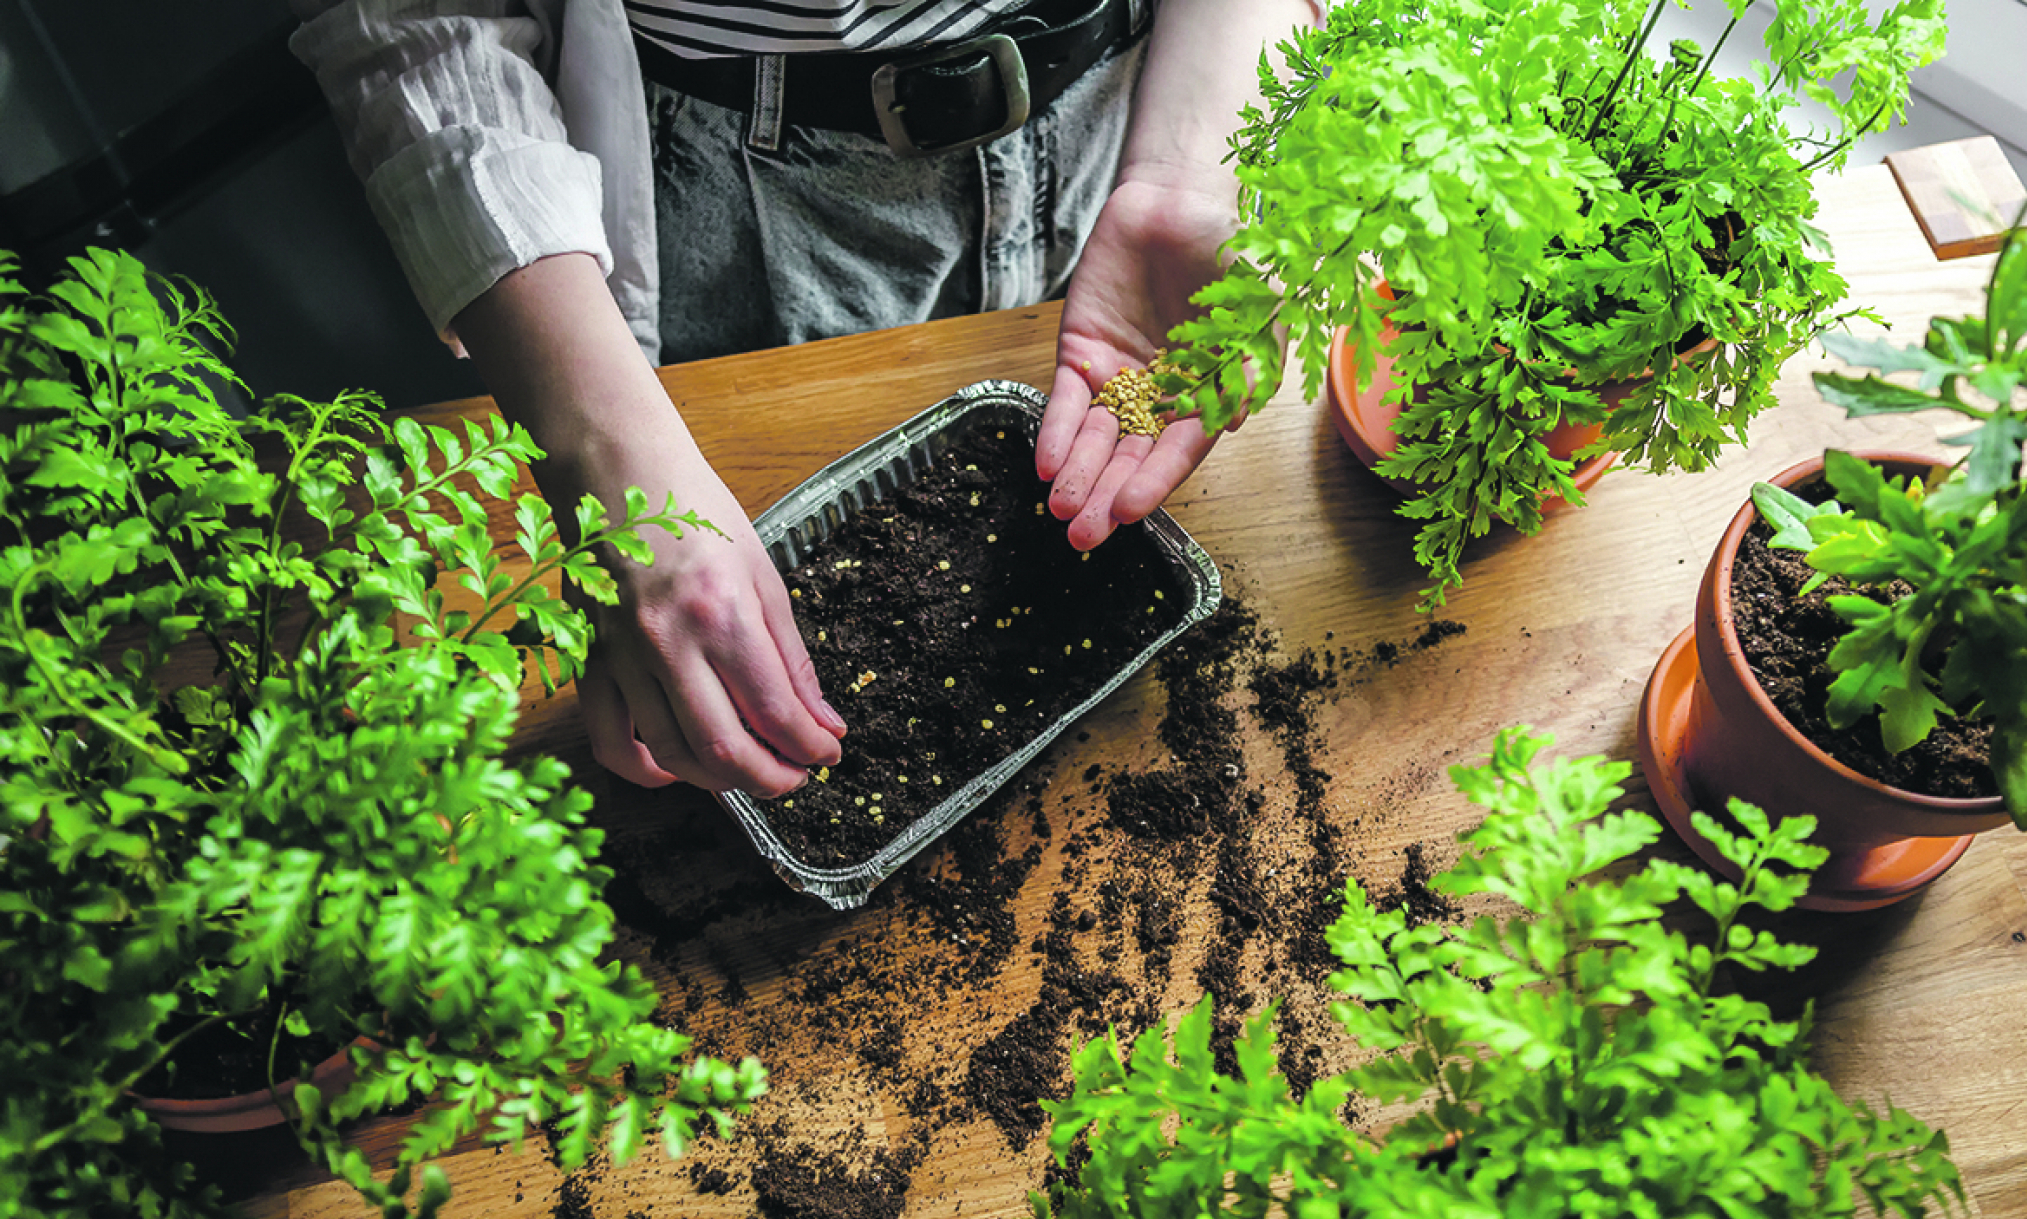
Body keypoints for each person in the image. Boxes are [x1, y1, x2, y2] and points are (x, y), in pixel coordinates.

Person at [289, 0, 1316, 799]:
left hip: (1137, 104)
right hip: (734, 183)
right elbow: (416, 21)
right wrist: (608, 463)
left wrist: (1192, 171)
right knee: (723, 650)